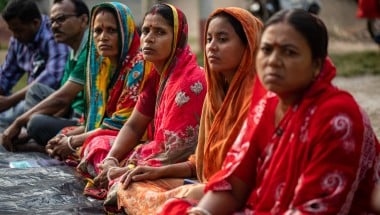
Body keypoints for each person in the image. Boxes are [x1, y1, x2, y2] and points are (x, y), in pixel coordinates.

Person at [161, 9, 380, 214]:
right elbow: (233, 183)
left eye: (289, 52)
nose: (273, 61)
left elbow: (315, 207)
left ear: (317, 65)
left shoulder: (337, 117)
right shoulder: (266, 107)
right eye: (267, 50)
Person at [114, 7, 263, 215]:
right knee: (131, 184)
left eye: (222, 39)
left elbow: (239, 177)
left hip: (234, 192)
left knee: (171, 203)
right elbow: (198, 162)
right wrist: (157, 171)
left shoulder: (257, 100)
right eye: (209, 39)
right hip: (206, 183)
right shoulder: (216, 95)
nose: (211, 47)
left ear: (248, 44)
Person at [75, 3, 206, 210]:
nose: (149, 38)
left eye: (160, 32)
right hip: (154, 153)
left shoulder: (191, 82)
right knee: (97, 145)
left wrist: (128, 167)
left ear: (178, 39)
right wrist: (111, 160)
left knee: (130, 183)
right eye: (145, 31)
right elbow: (134, 125)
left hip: (177, 163)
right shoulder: (156, 74)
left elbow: (172, 152)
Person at [45, 2, 146, 164]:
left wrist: (72, 142)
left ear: (125, 32)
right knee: (63, 133)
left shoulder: (138, 67)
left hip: (131, 134)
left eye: (111, 30)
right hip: (106, 129)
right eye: (98, 31)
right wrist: (65, 138)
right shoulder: (101, 67)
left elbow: (121, 125)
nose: (103, 37)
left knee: (96, 147)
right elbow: (93, 122)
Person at [1, 0, 89, 152]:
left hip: (84, 120)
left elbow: (62, 97)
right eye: (52, 21)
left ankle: (44, 146)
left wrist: (20, 122)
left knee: (34, 121)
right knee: (34, 91)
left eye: (61, 19)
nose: (54, 26)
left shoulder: (89, 49)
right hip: (69, 111)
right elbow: (64, 103)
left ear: (83, 20)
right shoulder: (72, 49)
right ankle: (40, 138)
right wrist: (28, 132)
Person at [0, 0, 69, 134]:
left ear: (35, 23)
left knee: (13, 116)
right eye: (12, 30)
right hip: (29, 99)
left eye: (19, 30)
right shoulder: (18, 40)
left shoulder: (54, 35)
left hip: (54, 102)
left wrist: (9, 101)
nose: (15, 35)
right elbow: (6, 74)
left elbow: (52, 77)